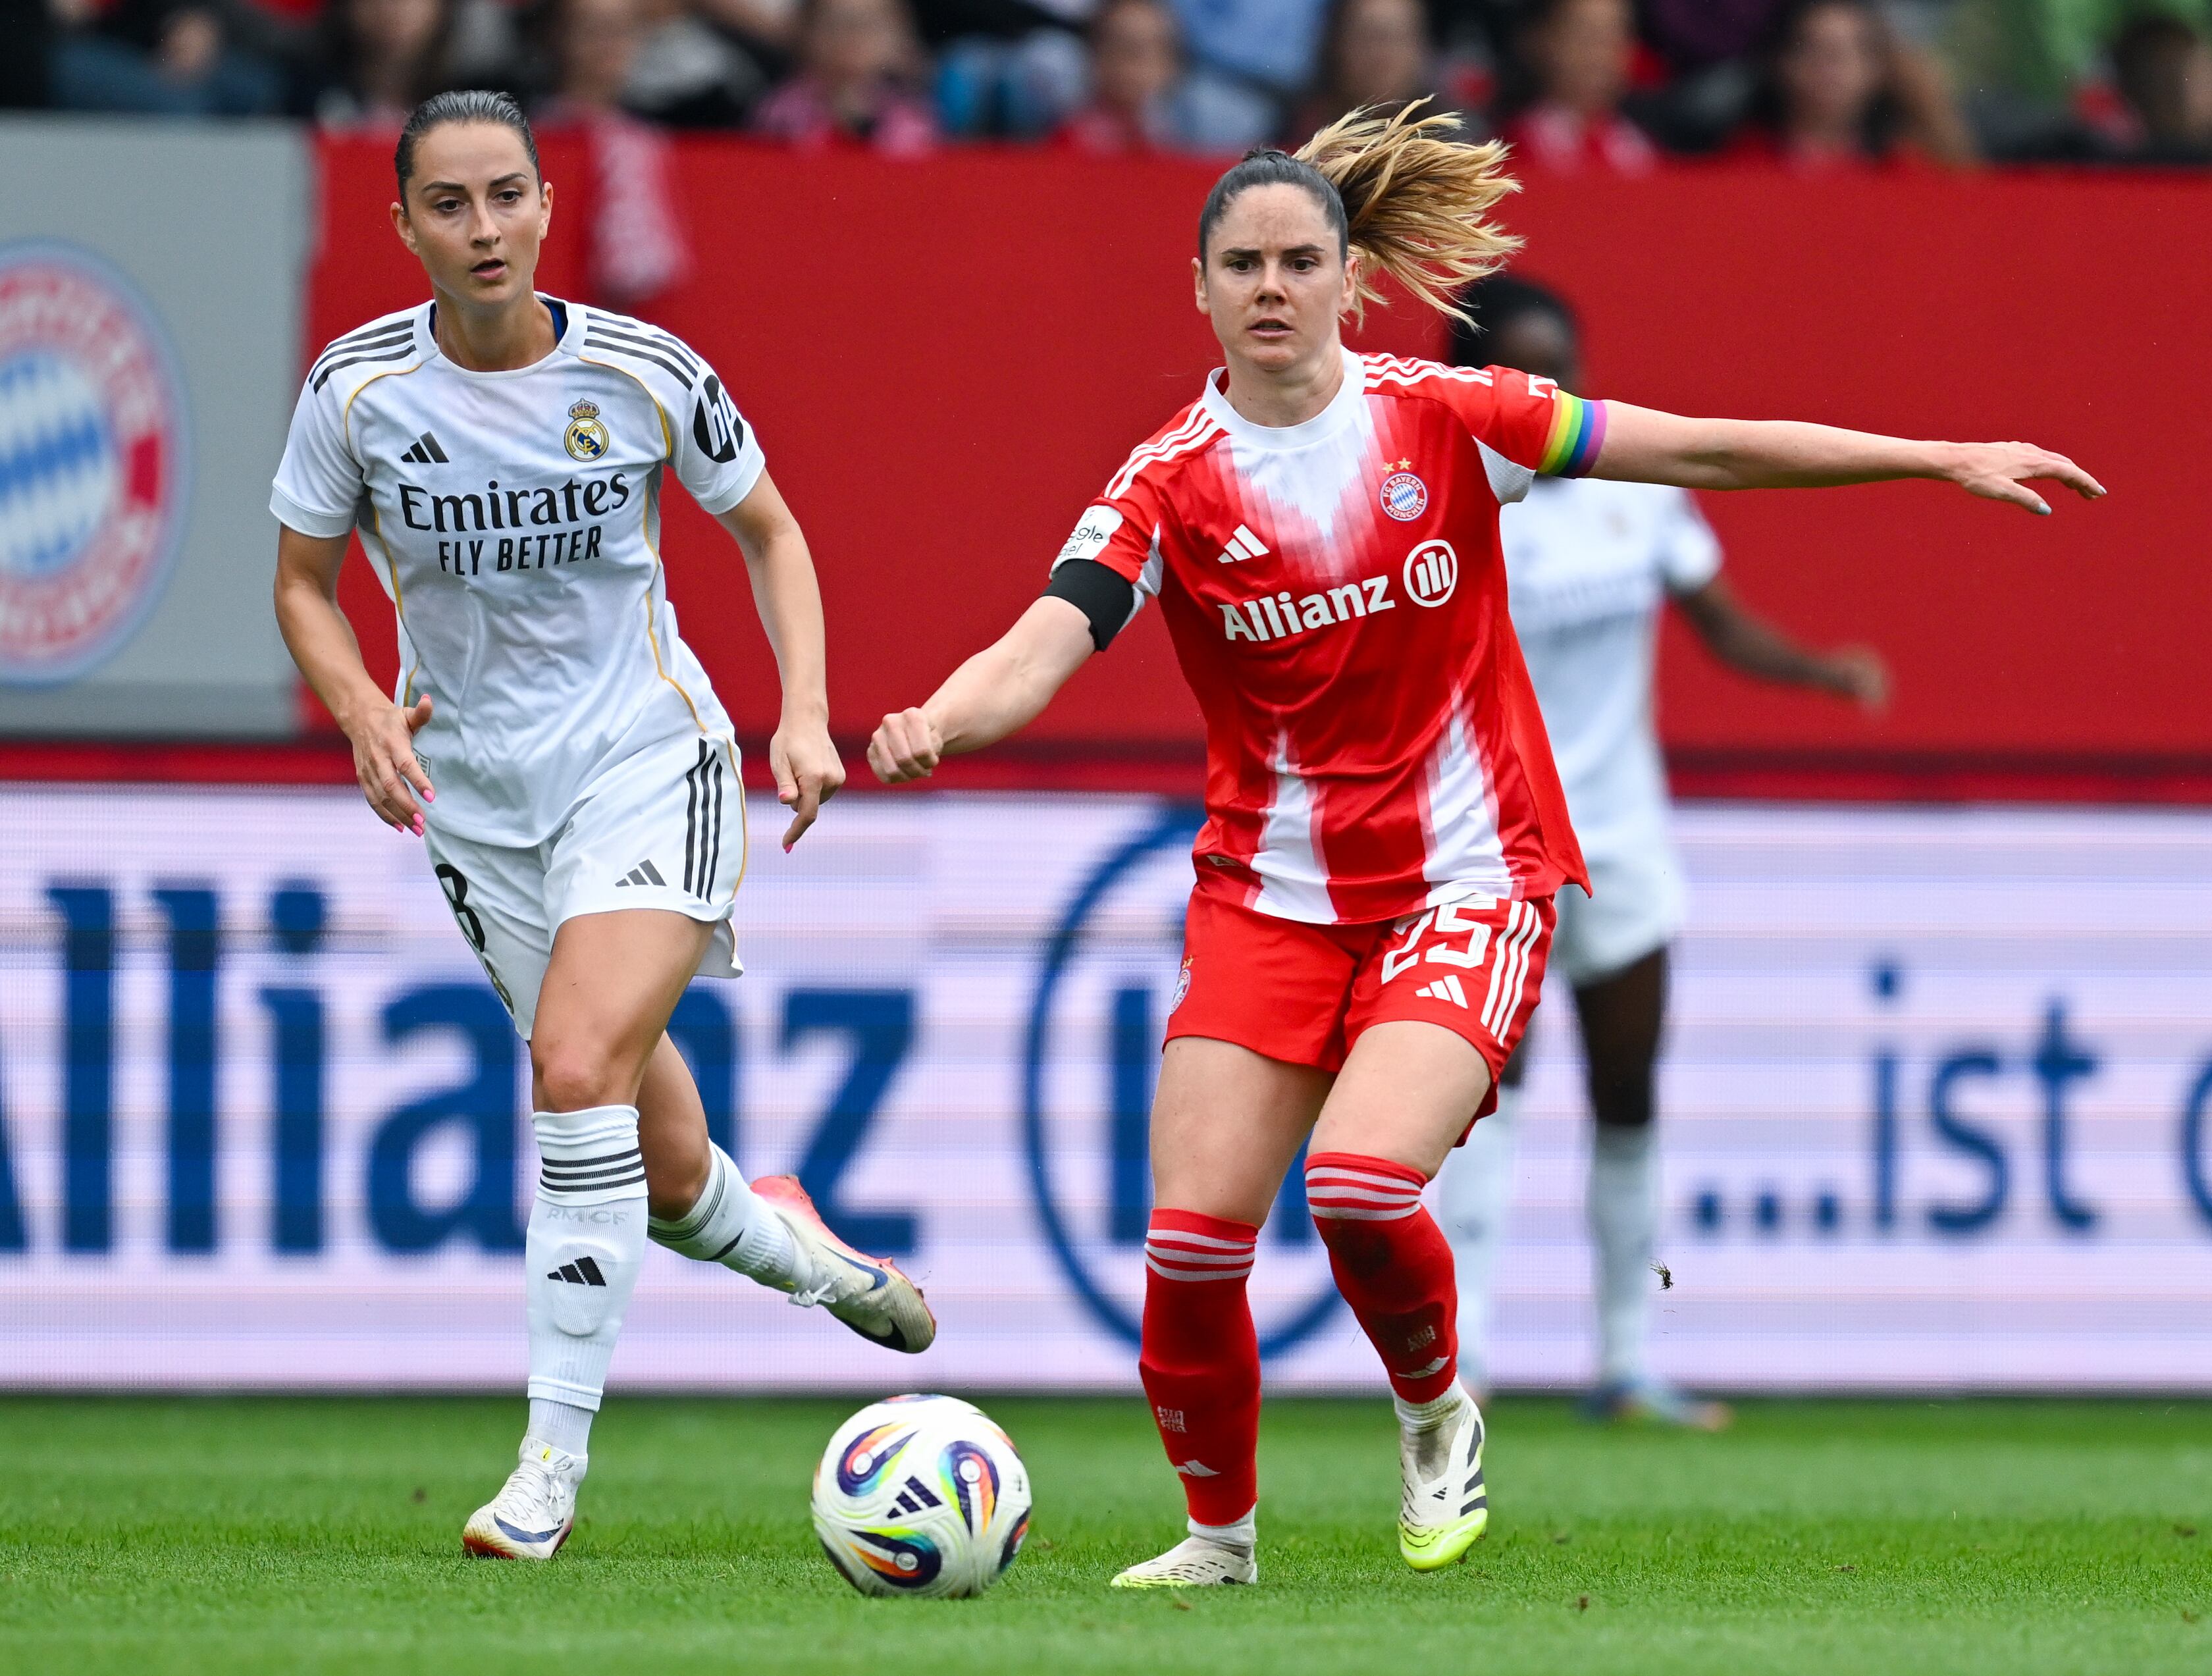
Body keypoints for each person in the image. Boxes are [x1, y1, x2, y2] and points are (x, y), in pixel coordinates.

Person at [864, 99, 2100, 1587]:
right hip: (1268, 896)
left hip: (1469, 876)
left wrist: (1930, 453)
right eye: (1242, 263)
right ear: (1196, 287)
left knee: (1362, 1185)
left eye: (1299, 260)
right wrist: (936, 717)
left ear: (1347, 277)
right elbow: (1048, 639)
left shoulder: (1447, 417)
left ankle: (1440, 1410)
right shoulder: (1168, 480)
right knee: (1191, 1247)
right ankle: (1220, 1538)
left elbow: (1699, 448)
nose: (1271, 286)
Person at [268, 90, 933, 1563]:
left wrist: (804, 711)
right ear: (405, 227)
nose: (484, 227)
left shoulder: (644, 369)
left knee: (573, 1064)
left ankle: (546, 1472)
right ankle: (808, 1256)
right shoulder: (356, 393)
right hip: (482, 806)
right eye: (449, 204)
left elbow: (770, 530)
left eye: (507, 195)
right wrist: (363, 707)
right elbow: (304, 580)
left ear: (547, 207)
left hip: (648, 760)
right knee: (675, 1171)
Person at [1432, 275, 1887, 1429]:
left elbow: (1720, 623)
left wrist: (1819, 670)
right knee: (1488, 1094)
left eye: (1565, 364)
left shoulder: (1638, 490)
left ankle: (1630, 1363)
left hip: (1625, 838)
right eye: (1527, 369)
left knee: (1628, 1091)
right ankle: (1462, 1363)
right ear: (1478, 381)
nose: (1554, 390)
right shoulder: (1445, 506)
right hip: (1497, 840)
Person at [751, 0, 939, 153]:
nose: (852, 37)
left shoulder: (910, 113)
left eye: (867, 25)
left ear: (898, 36)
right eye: (835, 24)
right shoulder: (780, 108)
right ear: (807, 32)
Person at [1497, 0, 1659, 174]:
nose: (1599, 55)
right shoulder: (1517, 147)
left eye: (1614, 35)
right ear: (1542, 40)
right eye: (1585, 36)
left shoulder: (1639, 148)